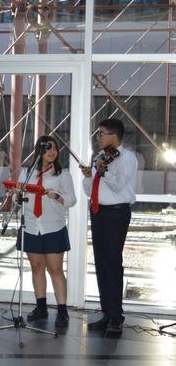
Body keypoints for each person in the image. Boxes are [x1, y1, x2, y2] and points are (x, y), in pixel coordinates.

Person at [81, 118, 137, 334]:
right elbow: (89, 190)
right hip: (98, 212)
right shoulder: (100, 157)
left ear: (114, 136)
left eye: (102, 133)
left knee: (112, 263)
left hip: (116, 214)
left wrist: (102, 170)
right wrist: (89, 176)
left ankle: (116, 317)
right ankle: (107, 312)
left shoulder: (127, 158)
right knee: (101, 264)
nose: (99, 137)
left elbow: (118, 185)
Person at [13, 135, 76, 328]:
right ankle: (41, 308)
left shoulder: (63, 175)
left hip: (53, 226)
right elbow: (18, 201)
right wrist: (17, 195)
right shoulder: (26, 173)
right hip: (31, 226)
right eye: (47, 148)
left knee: (55, 269)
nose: (52, 151)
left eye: (55, 148)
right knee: (36, 268)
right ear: (39, 151)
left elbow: (72, 200)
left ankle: (62, 311)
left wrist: (56, 196)